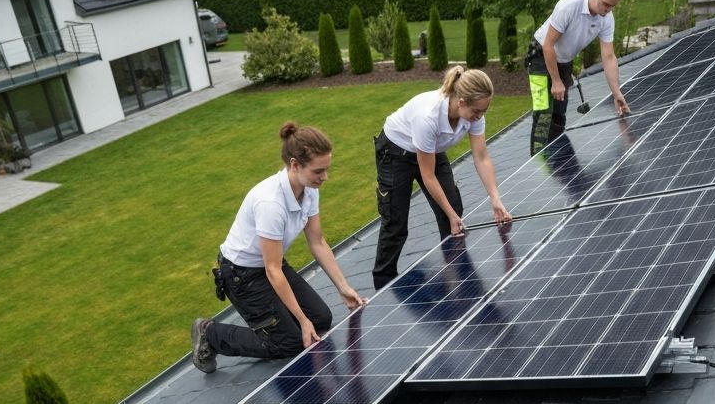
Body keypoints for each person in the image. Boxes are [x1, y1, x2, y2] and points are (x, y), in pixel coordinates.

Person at [190, 122, 367, 373]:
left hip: (270, 264)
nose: (325, 177)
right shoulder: (270, 203)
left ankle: (283, 323)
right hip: (243, 275)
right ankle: (211, 333)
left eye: (327, 169)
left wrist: (343, 287)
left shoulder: (309, 189)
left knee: (321, 320)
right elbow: (273, 270)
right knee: (289, 342)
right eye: (319, 171)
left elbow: (317, 242)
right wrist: (302, 321)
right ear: (295, 165)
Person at [372, 66, 512, 290]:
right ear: (461, 102)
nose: (480, 116)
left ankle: (456, 274)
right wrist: (450, 214)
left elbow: (482, 158)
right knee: (396, 221)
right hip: (396, 152)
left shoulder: (473, 114)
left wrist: (496, 199)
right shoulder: (428, 117)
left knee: (453, 209)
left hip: (429, 149)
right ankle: (383, 286)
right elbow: (427, 176)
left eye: (484, 111)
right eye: (477, 110)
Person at [526, 0, 631, 155]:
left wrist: (616, 93)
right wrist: (556, 81)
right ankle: (537, 163)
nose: (607, 10)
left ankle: (556, 164)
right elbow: (548, 45)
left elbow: (609, 57)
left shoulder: (606, 18)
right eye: (605, 4)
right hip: (539, 57)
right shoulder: (569, 6)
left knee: (559, 115)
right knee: (543, 111)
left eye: (612, 6)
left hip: (564, 61)